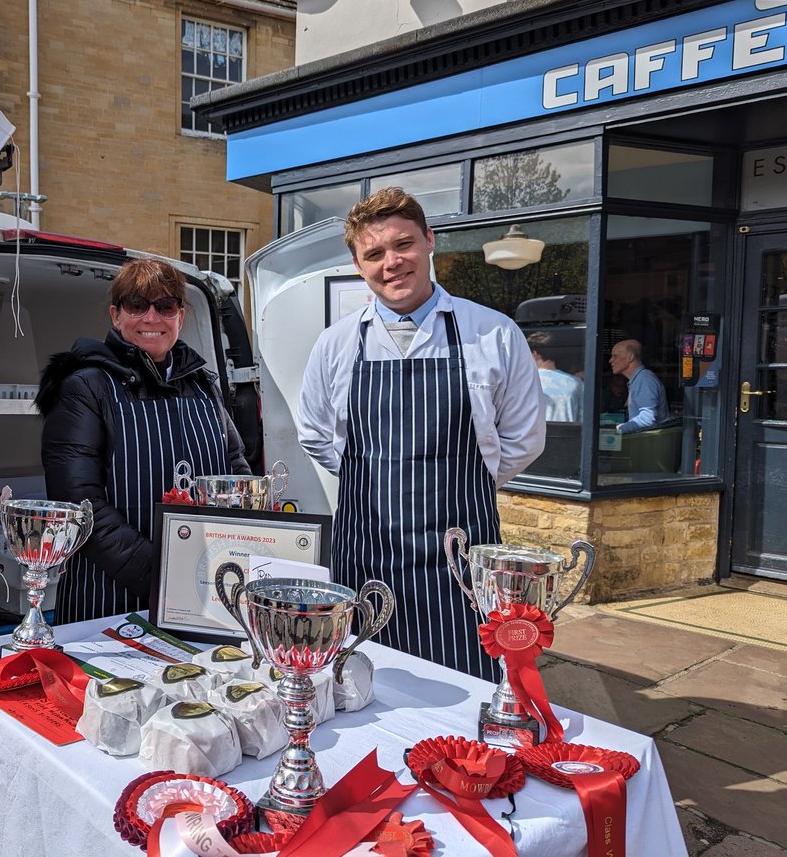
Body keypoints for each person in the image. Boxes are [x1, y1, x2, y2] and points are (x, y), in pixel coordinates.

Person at [297, 187, 545, 682]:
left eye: (403, 244)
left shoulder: (493, 333)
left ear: (430, 241)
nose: (392, 262)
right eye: (374, 253)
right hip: (364, 555)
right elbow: (315, 433)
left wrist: (466, 485)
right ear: (358, 264)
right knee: (364, 690)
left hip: (458, 561)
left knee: (466, 689)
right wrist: (374, 477)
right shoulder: (335, 344)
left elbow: (524, 438)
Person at [35, 258, 251, 625]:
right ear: (116, 316)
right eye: (137, 305)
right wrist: (163, 576)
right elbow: (80, 503)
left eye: (165, 306)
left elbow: (235, 467)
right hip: (109, 599)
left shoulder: (203, 387)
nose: (152, 318)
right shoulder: (86, 387)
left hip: (205, 591)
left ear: (180, 317)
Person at [608, 339, 669, 433]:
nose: (610, 360)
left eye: (615, 356)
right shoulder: (639, 379)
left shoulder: (644, 380)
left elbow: (647, 419)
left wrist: (619, 429)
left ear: (630, 357)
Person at [527, 332, 583, 422]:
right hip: (570, 435)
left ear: (534, 354)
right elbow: (584, 418)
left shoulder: (526, 383)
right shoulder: (576, 384)